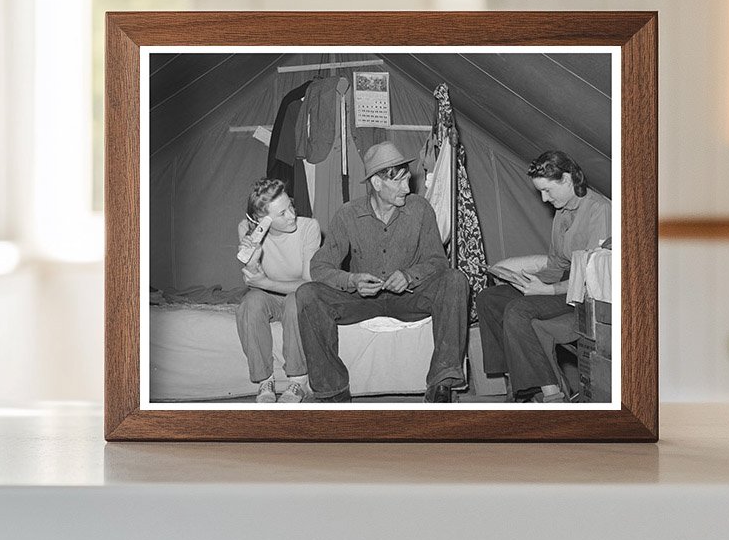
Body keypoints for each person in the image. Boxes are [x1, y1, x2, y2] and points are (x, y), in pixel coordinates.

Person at [296, 141, 469, 403]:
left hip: (409, 298)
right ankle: (332, 391)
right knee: (308, 294)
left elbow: (437, 262)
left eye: (407, 179)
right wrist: (352, 280)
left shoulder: (420, 209)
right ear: (377, 183)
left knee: (455, 279)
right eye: (398, 181)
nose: (407, 188)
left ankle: (442, 384)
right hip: (361, 301)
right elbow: (319, 266)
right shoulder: (348, 215)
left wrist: (409, 275)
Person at [476, 150, 611, 403]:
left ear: (567, 179)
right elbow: (557, 263)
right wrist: (523, 279)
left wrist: (547, 290)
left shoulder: (599, 210)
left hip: (584, 295)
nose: (544, 198)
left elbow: (593, 277)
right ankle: (516, 379)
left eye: (547, 190)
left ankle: (551, 394)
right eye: (540, 191)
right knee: (489, 298)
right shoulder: (562, 211)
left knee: (517, 310)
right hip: (564, 281)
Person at [237, 178, 320, 403]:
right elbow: (253, 283)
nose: (292, 215)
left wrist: (265, 283)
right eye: (282, 213)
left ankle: (298, 381)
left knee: (295, 301)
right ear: (261, 220)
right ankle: (265, 381)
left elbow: (309, 284)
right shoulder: (246, 229)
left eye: (290, 205)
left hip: (299, 295)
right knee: (250, 302)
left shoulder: (309, 227)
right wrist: (253, 261)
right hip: (269, 298)